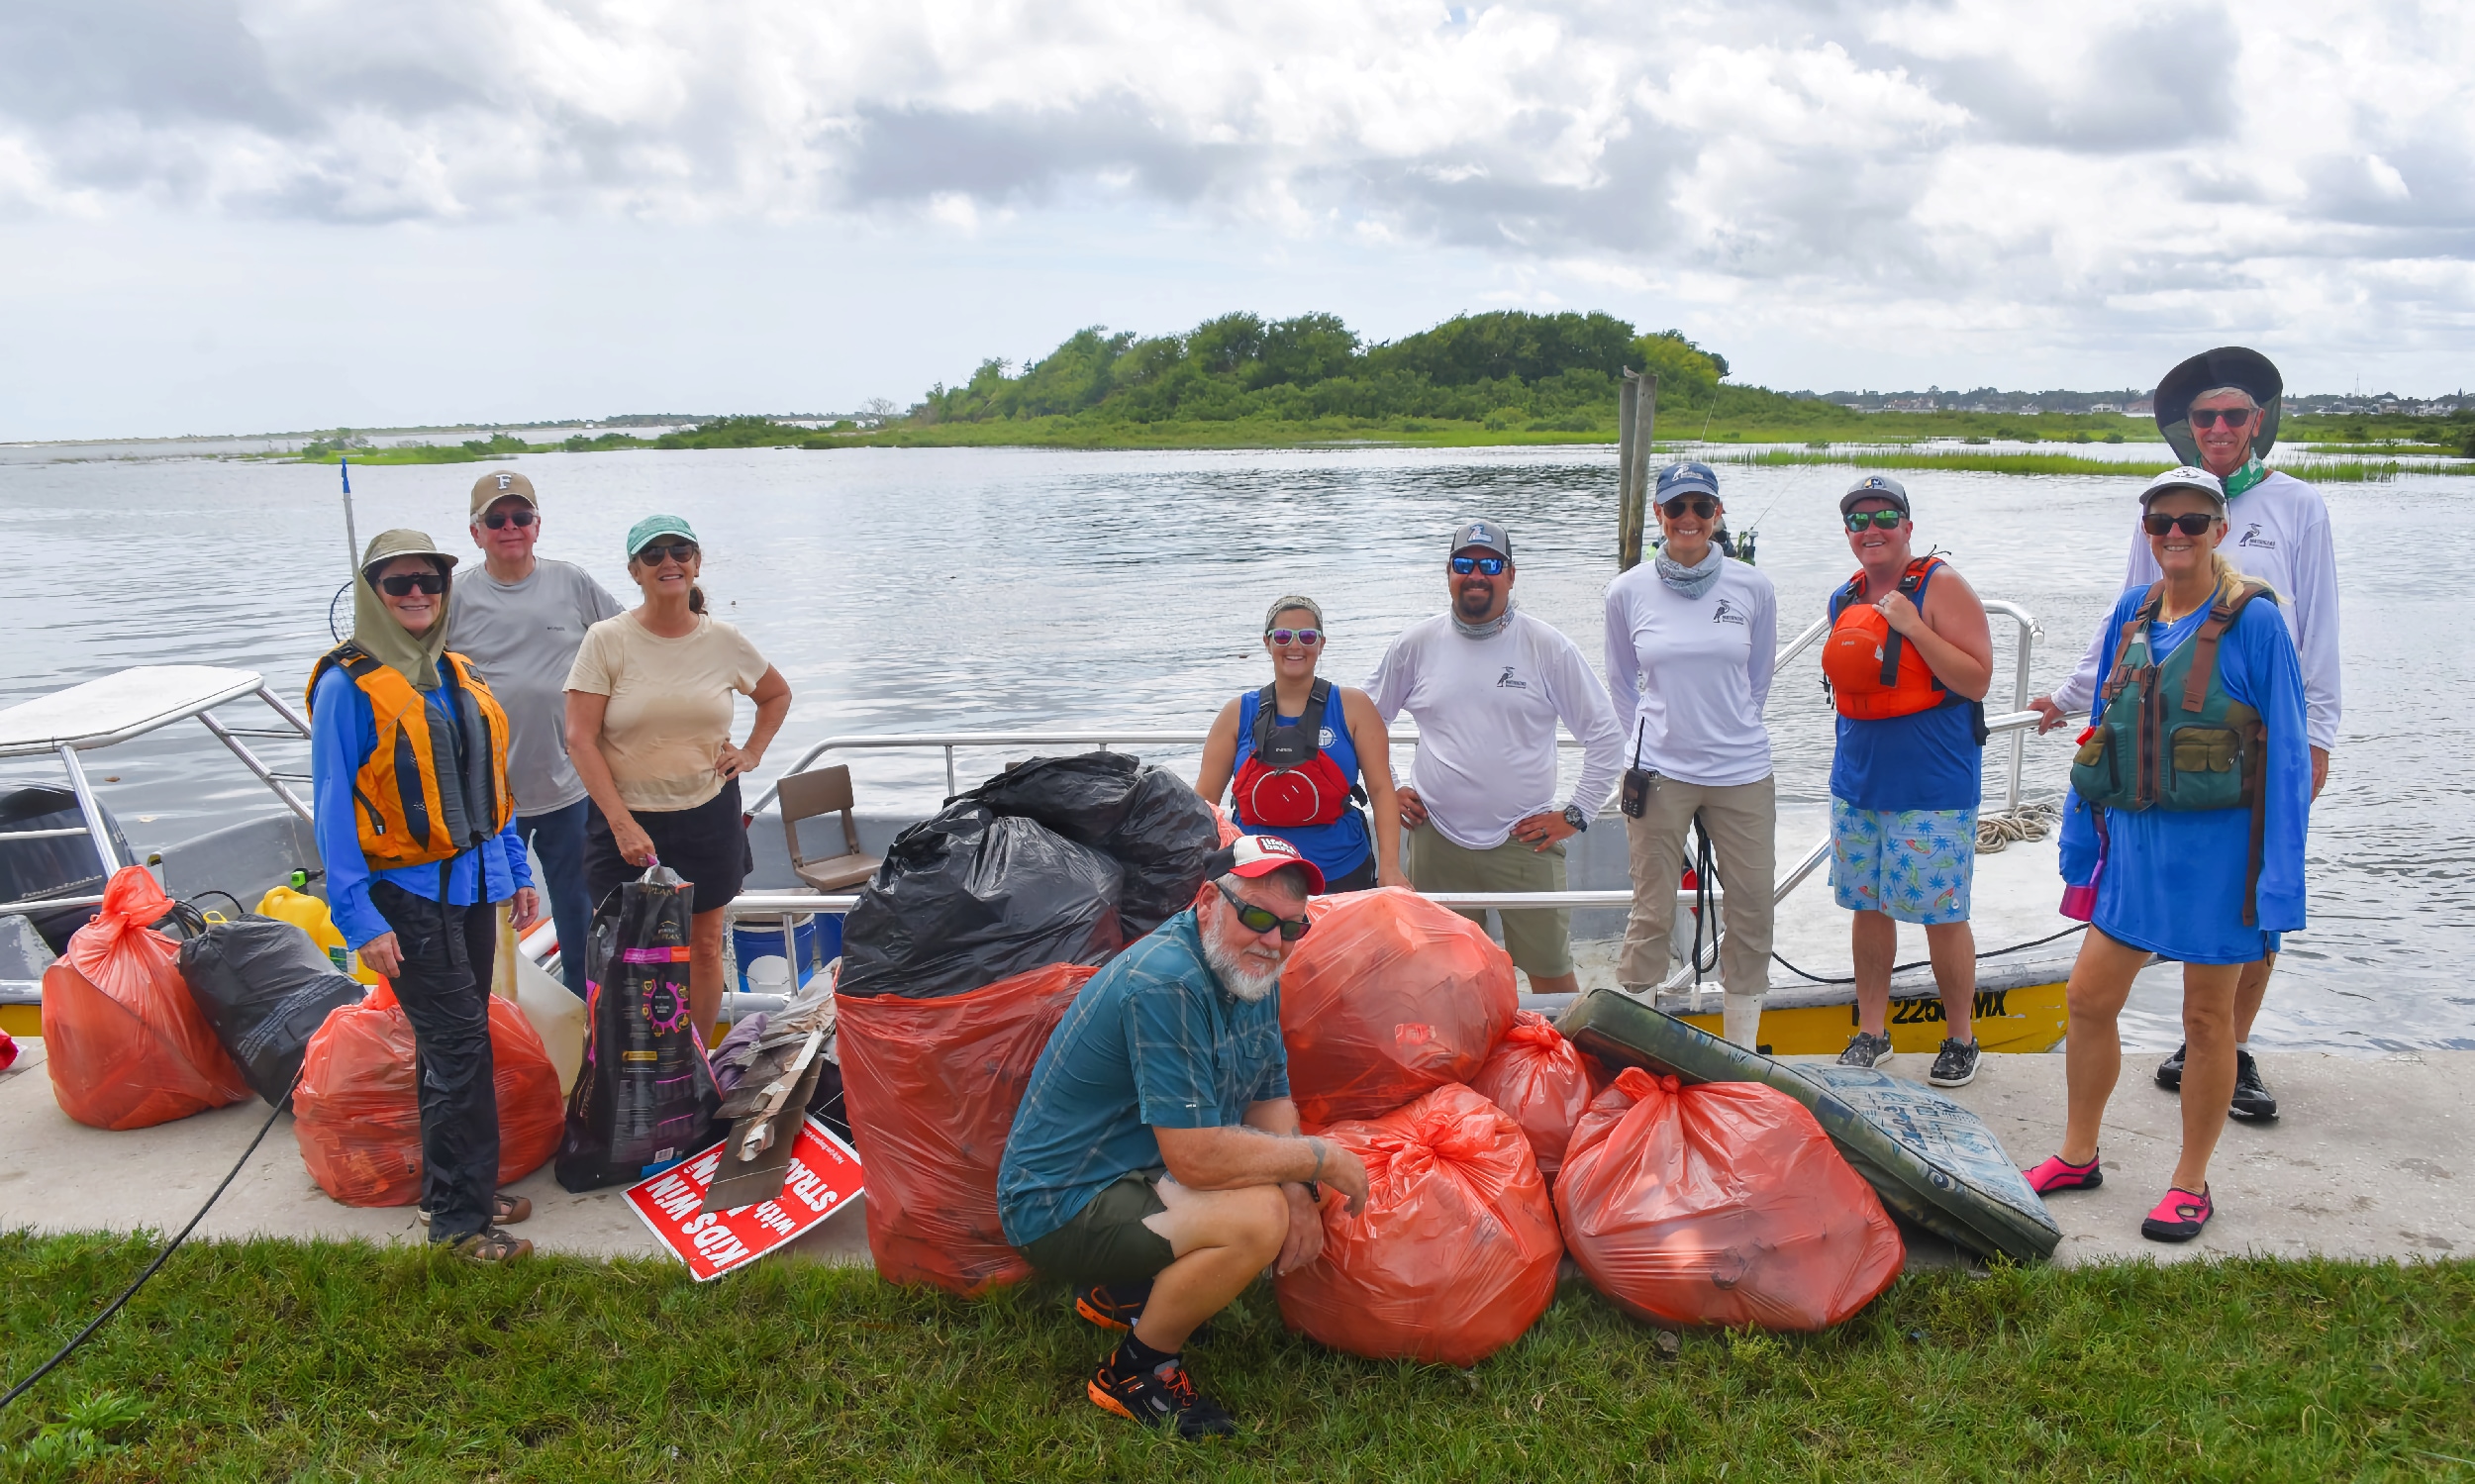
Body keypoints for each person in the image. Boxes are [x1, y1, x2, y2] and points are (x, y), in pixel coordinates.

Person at [2030, 347, 2337, 1120]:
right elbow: (2126, 617)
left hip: (2264, 730)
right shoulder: (2166, 509)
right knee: (2150, 907)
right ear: (2189, 428)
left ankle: (2230, 1044)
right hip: (2169, 732)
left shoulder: (2298, 506)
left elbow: (2322, 628)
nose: (2220, 428)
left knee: (2256, 899)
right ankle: (2201, 1040)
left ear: (2257, 423)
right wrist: (2072, 697)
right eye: (2206, 418)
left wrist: (2321, 736)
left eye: (2235, 416)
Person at [998, 835, 1372, 1438]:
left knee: (1283, 1192)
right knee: (1257, 1218)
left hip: (1131, 1170)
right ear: (1206, 901)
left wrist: (1305, 1188)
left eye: (1291, 929)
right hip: (1056, 1204)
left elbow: (1269, 1092)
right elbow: (1197, 1158)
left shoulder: (1247, 965)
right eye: (1255, 916)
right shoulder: (1168, 981)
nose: (1272, 940)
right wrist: (1318, 1159)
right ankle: (1137, 1370)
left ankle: (1124, 1294)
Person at [2023, 467, 2309, 1242]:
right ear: (2146, 533)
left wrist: (2281, 880)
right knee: (2087, 998)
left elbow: (2284, 755)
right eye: (2161, 523)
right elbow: (2108, 728)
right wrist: (2083, 843)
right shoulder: (2133, 610)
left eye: (2192, 521)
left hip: (2220, 858)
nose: (2175, 535)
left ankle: (2191, 1181)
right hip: (2137, 852)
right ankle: (2079, 1153)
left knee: (2207, 1018)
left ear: (2220, 529)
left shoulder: (2257, 623)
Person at [307, 529, 541, 1263]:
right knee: (461, 1052)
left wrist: (517, 873)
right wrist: (359, 919)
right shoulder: (348, 687)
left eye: (429, 582)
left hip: (471, 891)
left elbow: (490, 795)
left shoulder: (456, 673)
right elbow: (332, 811)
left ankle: (456, 1189)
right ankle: (458, 1224)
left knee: (453, 1048)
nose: (416, 594)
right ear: (373, 593)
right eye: (399, 583)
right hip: (406, 904)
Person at [1363, 520, 1626, 996]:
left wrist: (1576, 813)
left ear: (1510, 574)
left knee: (1551, 974)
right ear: (1448, 573)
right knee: (1446, 977)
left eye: (1490, 564)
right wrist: (1391, 787)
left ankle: (1561, 1066)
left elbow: (1606, 736)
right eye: (1465, 564)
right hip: (1435, 837)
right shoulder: (1414, 646)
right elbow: (1365, 722)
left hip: (1526, 840)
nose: (1477, 574)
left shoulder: (1547, 646)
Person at [564, 515, 791, 1043]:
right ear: (634, 571)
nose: (669, 562)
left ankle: (695, 1064)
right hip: (626, 819)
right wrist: (620, 823)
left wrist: (752, 752)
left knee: (706, 946)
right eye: (653, 554)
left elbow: (775, 694)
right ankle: (629, 1070)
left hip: (708, 813)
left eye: (680, 551)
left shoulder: (725, 640)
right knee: (625, 951)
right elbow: (579, 738)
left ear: (696, 563)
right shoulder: (607, 640)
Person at [1818, 474, 1995, 1084]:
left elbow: (1976, 680)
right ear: (1848, 533)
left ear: (1908, 527)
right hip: (1859, 782)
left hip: (1933, 785)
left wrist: (1915, 627)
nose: (1872, 529)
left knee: (1942, 913)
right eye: (1859, 521)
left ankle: (1961, 1038)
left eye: (1885, 517)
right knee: (1866, 908)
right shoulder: (1845, 598)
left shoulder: (1941, 585)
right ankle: (1871, 1030)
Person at [1602, 462, 1780, 1048]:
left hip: (1742, 772)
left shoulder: (1754, 587)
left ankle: (1742, 1052)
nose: (1689, 520)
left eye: (1702, 508)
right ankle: (1633, 1043)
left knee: (1752, 909)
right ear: (1658, 515)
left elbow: (1757, 681)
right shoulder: (1626, 591)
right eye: (1676, 508)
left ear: (1718, 515)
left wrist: (1725, 729)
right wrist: (1654, 741)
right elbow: (1623, 684)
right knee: (1651, 910)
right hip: (1659, 772)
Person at [446, 469, 622, 993]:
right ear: (476, 532)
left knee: (577, 906)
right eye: (495, 520)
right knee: (486, 908)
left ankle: (580, 1012)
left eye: (520, 517)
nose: (509, 528)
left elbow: (629, 645)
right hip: (486, 795)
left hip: (568, 783)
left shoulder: (572, 581)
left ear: (537, 526)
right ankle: (498, 1014)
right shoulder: (454, 598)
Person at [1194, 596, 1406, 893]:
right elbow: (1204, 802)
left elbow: (1382, 789)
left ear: (1321, 643)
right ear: (1267, 642)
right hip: (1255, 872)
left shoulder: (1354, 707)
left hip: (1340, 868)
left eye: (1307, 636)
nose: (1295, 646)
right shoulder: (1236, 714)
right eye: (1283, 636)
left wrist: (1390, 867)